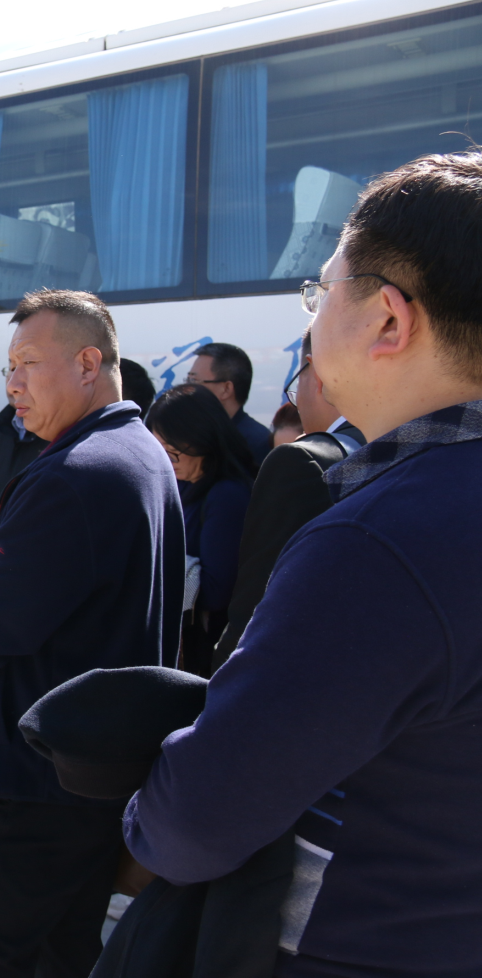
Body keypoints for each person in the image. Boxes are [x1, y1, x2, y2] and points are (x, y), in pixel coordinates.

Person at [125, 151, 482, 978]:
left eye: (320, 292)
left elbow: (197, 820)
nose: (311, 318)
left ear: (387, 320)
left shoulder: (379, 541)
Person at [0, 290, 183, 978]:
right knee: (63, 951)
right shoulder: (139, 453)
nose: (11, 384)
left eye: (27, 363)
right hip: (92, 768)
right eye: (8, 367)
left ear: (86, 363)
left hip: (34, 775)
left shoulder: (75, 472)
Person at [212, 330, 362, 671]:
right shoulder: (399, 442)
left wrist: (221, 676)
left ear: (317, 375)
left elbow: (255, 603)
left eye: (296, 385)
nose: (296, 402)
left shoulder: (302, 461)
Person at [145, 385, 255, 677]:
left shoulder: (227, 494)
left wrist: (150, 569)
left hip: (208, 655)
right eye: (158, 450)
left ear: (201, 438)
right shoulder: (185, 482)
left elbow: (216, 590)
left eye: (173, 451)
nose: (166, 460)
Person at [186, 342, 273, 466]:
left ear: (226, 389)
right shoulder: (192, 436)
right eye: (188, 380)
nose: (187, 389)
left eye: (194, 380)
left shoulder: (257, 443)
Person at [0, 395, 47, 500]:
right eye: (7, 377)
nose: (11, 387)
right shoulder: (3, 432)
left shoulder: (54, 433)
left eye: (27, 386)